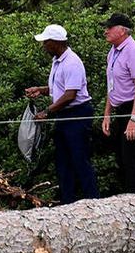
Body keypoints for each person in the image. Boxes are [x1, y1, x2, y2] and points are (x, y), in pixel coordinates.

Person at [25, 23, 99, 205]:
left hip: (77, 114)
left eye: (46, 42)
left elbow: (69, 95)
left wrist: (47, 112)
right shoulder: (58, 61)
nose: (44, 46)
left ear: (56, 43)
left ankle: (93, 201)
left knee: (79, 158)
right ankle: (67, 202)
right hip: (64, 115)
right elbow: (58, 87)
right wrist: (41, 90)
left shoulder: (72, 62)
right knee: (63, 160)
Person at [101, 13, 135, 193]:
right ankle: (126, 197)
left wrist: (134, 119)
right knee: (121, 157)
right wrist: (107, 113)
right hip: (120, 108)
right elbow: (112, 85)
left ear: (122, 30)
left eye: (110, 27)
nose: (106, 31)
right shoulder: (113, 52)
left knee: (132, 157)